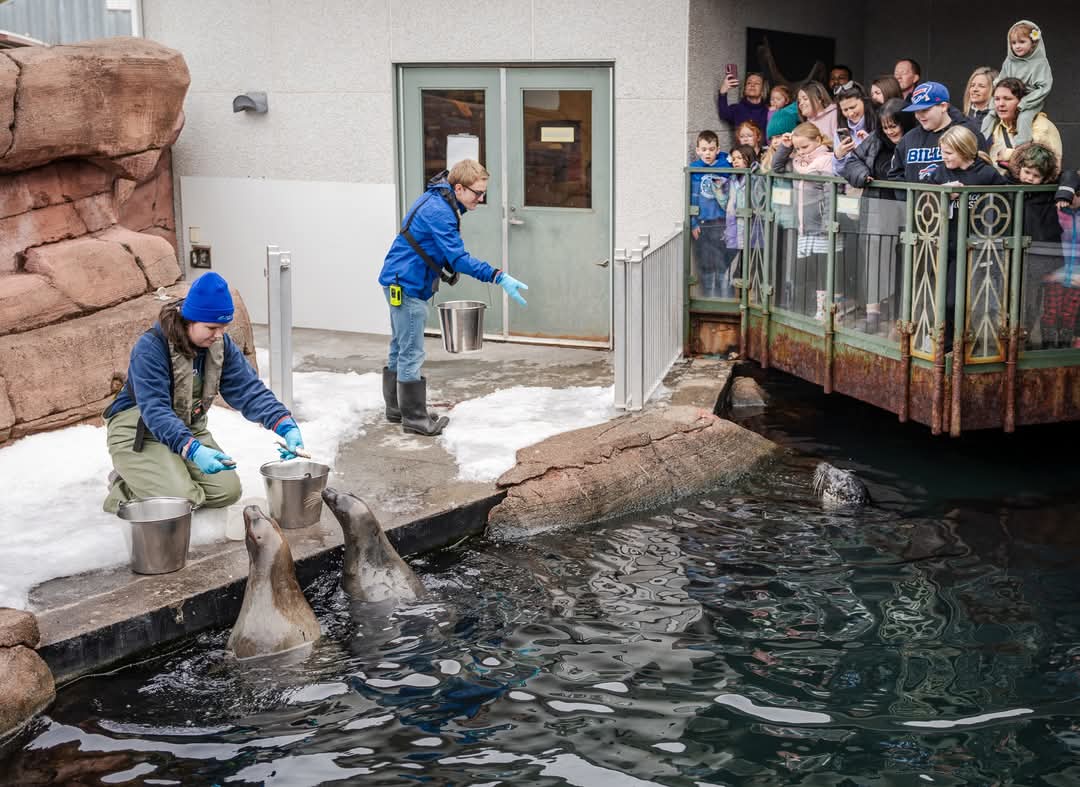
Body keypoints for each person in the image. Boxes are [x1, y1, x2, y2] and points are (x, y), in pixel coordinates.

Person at [102, 273, 303, 513]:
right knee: (182, 501)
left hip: (187, 426)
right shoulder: (151, 348)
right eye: (211, 327)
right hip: (139, 431)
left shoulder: (219, 345)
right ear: (190, 319)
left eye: (224, 327)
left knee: (227, 491)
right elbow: (155, 410)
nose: (219, 334)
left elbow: (248, 389)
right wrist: (193, 450)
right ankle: (126, 484)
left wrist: (284, 423)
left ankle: (163, 473)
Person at [378, 160, 529, 437]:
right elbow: (459, 259)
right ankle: (414, 418)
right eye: (477, 193)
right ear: (459, 188)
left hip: (399, 279)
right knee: (411, 350)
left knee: (400, 344)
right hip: (407, 284)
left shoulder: (438, 200)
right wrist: (497, 276)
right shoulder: (440, 211)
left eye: (484, 193)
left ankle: (397, 408)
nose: (480, 199)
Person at [771, 122, 837, 320]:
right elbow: (777, 167)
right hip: (804, 225)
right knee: (809, 269)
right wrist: (785, 147)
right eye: (797, 148)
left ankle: (827, 310)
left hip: (821, 226)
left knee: (824, 271)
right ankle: (814, 307)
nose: (801, 151)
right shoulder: (797, 161)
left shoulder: (826, 160)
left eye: (805, 147)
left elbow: (830, 193)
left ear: (818, 140)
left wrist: (827, 222)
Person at [1005, 142, 1063, 346]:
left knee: (1033, 300)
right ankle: (1012, 339)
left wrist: (1065, 191)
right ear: (1019, 167)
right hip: (1012, 251)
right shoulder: (1007, 182)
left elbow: (1071, 175)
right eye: (1027, 172)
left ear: (1045, 178)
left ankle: (1028, 339)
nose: (1029, 178)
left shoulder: (1048, 191)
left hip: (1039, 253)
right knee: (1010, 298)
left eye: (1036, 176)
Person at [887, 81, 985, 183]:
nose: (919, 116)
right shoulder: (908, 138)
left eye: (925, 110)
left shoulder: (967, 134)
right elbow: (895, 176)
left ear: (943, 106)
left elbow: (983, 173)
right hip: (914, 194)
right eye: (916, 111)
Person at [981, 20, 1052, 146]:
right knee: (991, 114)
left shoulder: (1040, 63)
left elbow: (1043, 87)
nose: (1017, 46)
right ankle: (981, 139)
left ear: (1033, 43)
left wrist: (1025, 102)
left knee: (1024, 117)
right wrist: (998, 87)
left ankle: (1021, 144)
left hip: (1030, 100)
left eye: (1022, 42)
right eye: (1013, 43)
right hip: (1008, 96)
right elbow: (1002, 79)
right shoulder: (1009, 61)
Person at [986, 78, 1062, 174]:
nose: (1001, 104)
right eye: (997, 99)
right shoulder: (998, 127)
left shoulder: (1041, 125)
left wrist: (1009, 154)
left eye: (1008, 99)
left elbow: (1044, 164)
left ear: (1023, 102)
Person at [690, 130, 732, 297]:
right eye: (704, 149)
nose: (707, 153)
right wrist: (693, 223)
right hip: (702, 224)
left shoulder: (724, 166)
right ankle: (708, 297)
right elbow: (691, 198)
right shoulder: (694, 169)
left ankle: (723, 298)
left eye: (712, 149)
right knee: (706, 262)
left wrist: (723, 157)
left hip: (721, 222)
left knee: (722, 262)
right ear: (697, 150)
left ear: (718, 149)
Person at [842, 98, 917, 188]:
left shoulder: (918, 139)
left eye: (893, 126)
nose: (889, 132)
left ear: (905, 123)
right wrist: (862, 175)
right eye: (885, 128)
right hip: (876, 195)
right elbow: (853, 160)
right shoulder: (876, 138)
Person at [1042, 170, 1080, 347]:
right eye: (1075, 193)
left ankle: (1064, 346)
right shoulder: (1055, 212)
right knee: (1051, 312)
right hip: (1056, 272)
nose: (1076, 198)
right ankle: (1048, 346)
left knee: (1069, 314)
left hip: (1077, 275)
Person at [832, 84, 877, 175]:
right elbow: (837, 173)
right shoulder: (841, 133)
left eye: (853, 107)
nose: (850, 113)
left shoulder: (878, 125)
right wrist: (838, 157)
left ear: (864, 101)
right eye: (845, 110)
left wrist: (870, 146)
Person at [717, 71, 769, 136]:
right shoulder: (737, 108)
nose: (752, 85)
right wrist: (723, 91)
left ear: (763, 90)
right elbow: (723, 114)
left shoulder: (768, 111)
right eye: (749, 83)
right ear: (744, 89)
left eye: (757, 83)